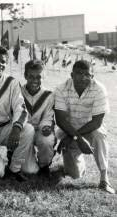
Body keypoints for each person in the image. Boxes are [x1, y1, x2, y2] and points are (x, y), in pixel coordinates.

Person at [54, 60, 115, 194]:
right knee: (74, 175)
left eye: (87, 75)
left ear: (92, 77)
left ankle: (104, 179)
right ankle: (74, 159)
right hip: (68, 130)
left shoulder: (99, 89)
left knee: (99, 135)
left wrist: (75, 137)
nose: (83, 78)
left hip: (91, 129)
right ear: (71, 74)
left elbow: (97, 122)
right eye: (79, 73)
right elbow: (60, 120)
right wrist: (76, 138)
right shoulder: (61, 88)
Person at [0, 46, 36, 181]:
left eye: (3, 62)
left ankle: (14, 168)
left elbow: (20, 107)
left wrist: (16, 128)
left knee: (28, 129)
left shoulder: (11, 82)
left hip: (5, 127)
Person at [20, 60, 55, 177]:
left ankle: (44, 165)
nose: (35, 80)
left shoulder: (48, 95)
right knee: (29, 171)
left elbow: (48, 116)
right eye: (31, 76)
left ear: (43, 76)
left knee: (47, 140)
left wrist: (45, 127)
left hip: (39, 131)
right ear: (25, 76)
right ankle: (16, 156)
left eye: (38, 77)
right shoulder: (19, 92)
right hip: (24, 132)